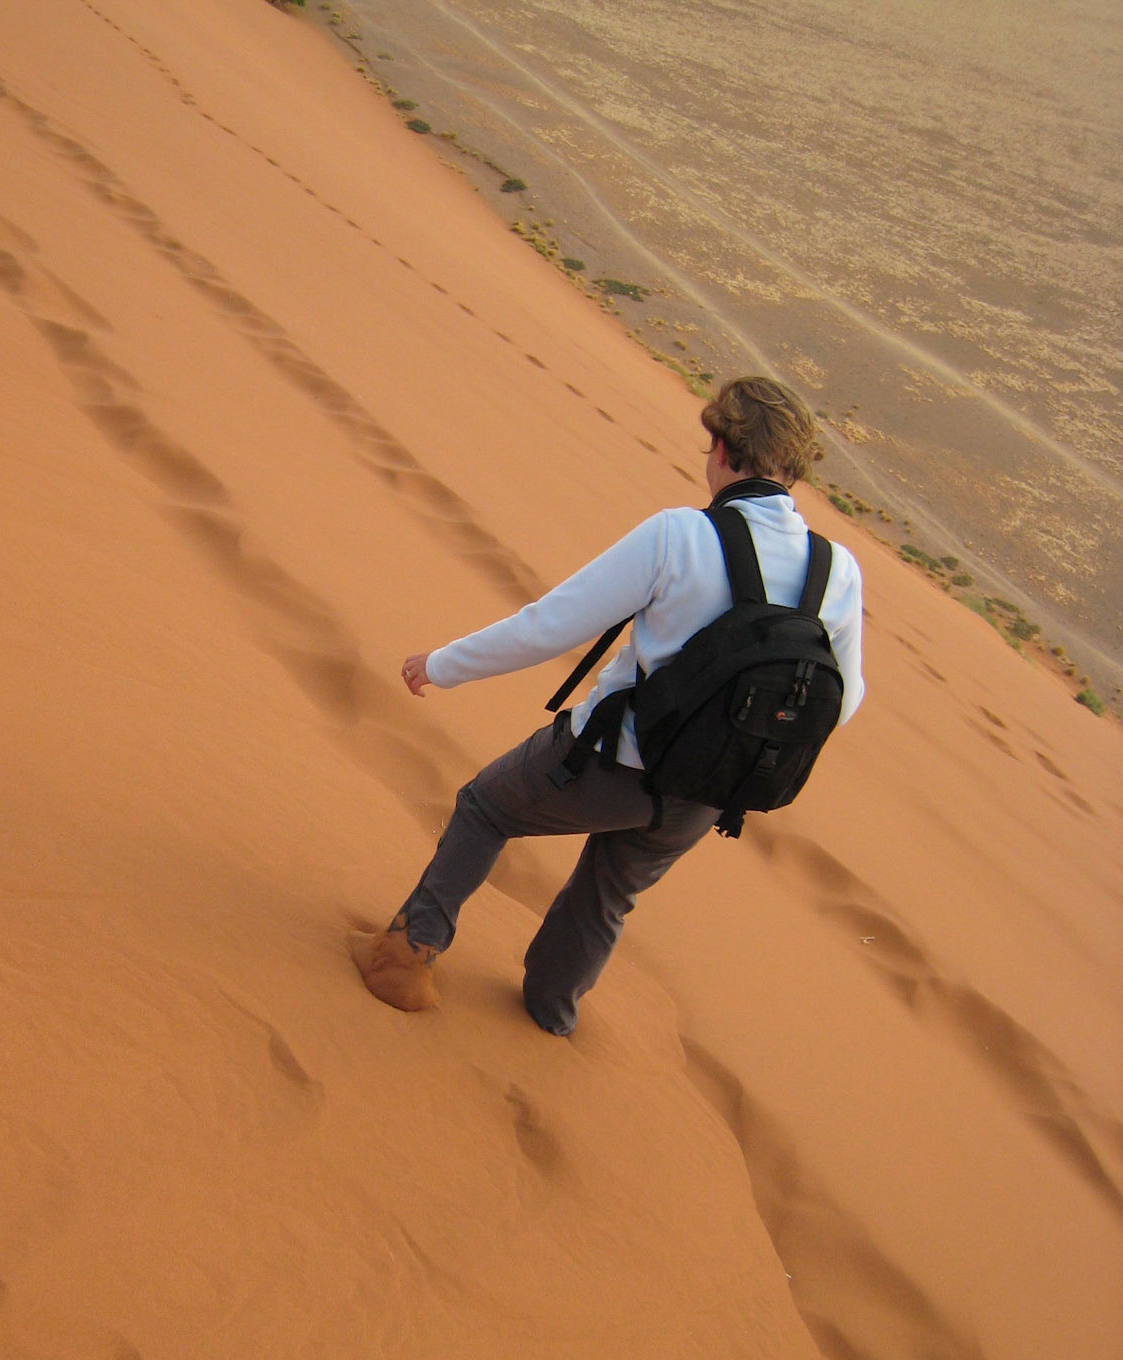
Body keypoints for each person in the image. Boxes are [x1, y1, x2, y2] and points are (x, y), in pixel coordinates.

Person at [350, 375, 865, 1033]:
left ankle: (404, 963)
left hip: (608, 763)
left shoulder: (681, 536)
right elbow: (840, 702)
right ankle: (550, 1013)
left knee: (485, 808)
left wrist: (443, 665)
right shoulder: (838, 570)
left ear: (725, 450)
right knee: (608, 893)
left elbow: (550, 626)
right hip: (710, 791)